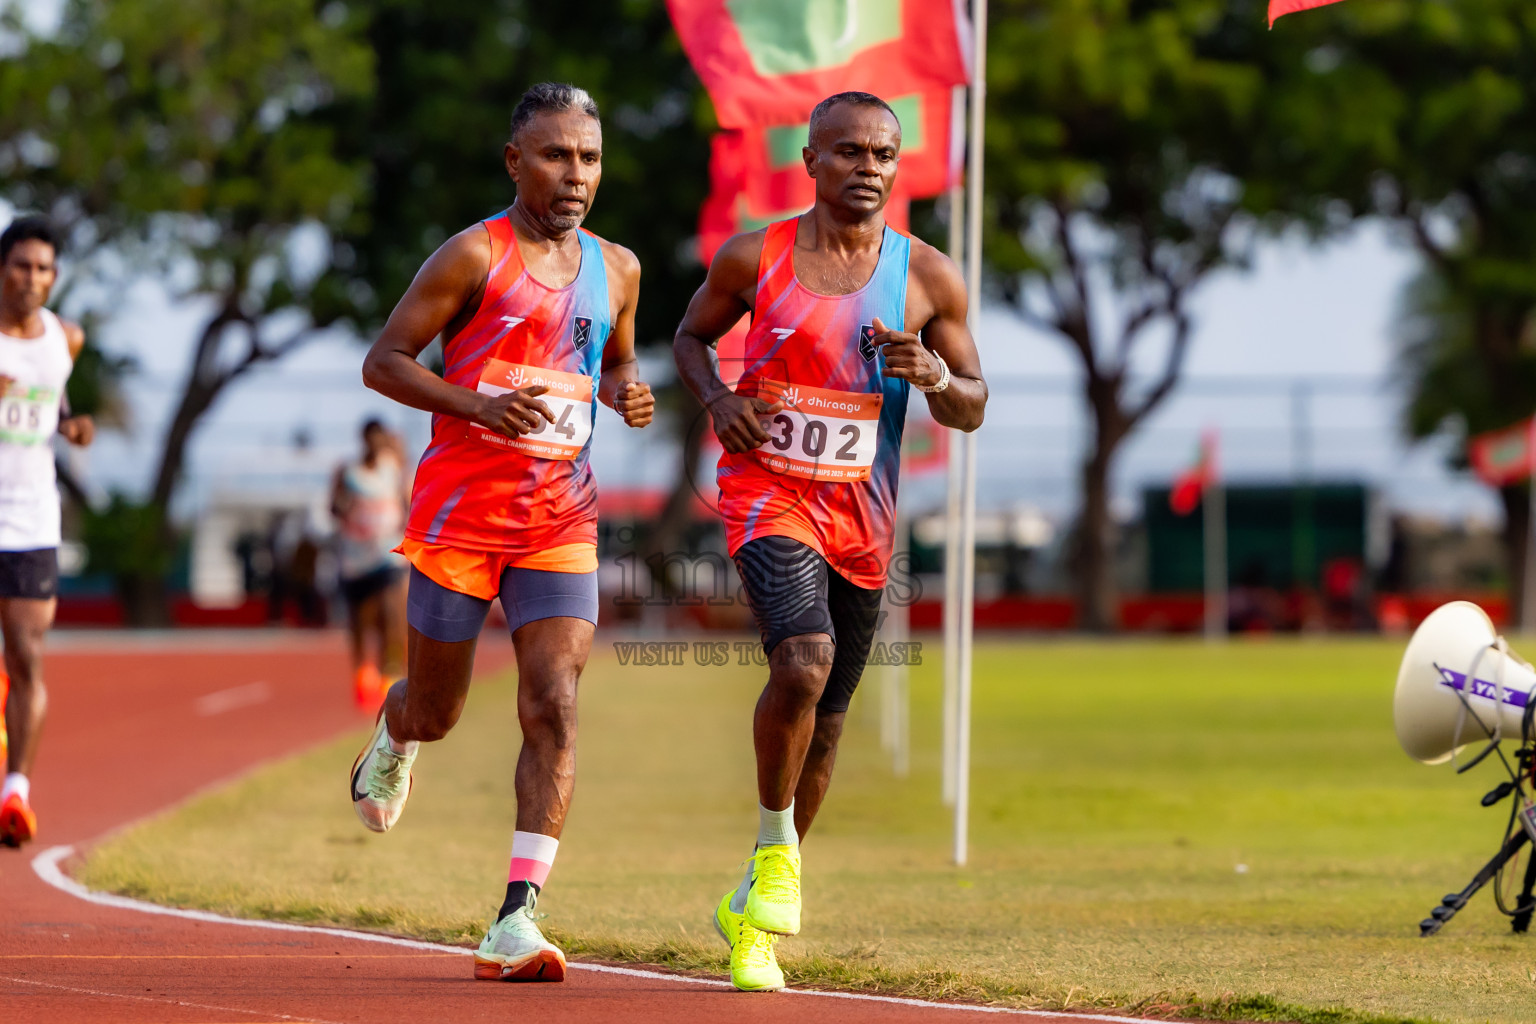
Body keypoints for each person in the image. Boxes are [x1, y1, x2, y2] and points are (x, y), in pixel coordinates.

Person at [673, 92, 987, 991]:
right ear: (809, 161)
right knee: (802, 662)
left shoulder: (928, 278)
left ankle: (758, 907)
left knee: (830, 725)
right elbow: (692, 338)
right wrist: (720, 400)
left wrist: (932, 374)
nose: (868, 167)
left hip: (865, 519)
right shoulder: (755, 255)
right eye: (847, 151)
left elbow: (972, 404)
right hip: (769, 494)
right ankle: (777, 857)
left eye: (883, 154)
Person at [356, 82, 653, 983]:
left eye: (590, 157)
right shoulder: (472, 255)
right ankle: (396, 732)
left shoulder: (621, 267)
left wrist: (627, 391)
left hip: (561, 518)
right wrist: (477, 404)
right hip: (461, 518)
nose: (576, 174)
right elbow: (385, 362)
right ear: (515, 160)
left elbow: (619, 360)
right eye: (557, 155)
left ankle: (517, 918)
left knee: (554, 703)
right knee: (440, 712)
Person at [0, 216, 95, 848]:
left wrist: (72, 426)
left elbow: (53, 402)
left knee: (28, 656)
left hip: (31, 517)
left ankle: (15, 794)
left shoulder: (66, 337)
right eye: (21, 265)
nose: (33, 277)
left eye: (44, 268)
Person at [330, 418, 409, 709]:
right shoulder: (348, 472)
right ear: (363, 439)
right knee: (361, 622)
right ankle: (364, 673)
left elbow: (407, 500)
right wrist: (344, 505)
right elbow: (334, 507)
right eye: (371, 437)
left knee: (393, 614)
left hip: (388, 555)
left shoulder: (394, 467)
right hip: (356, 559)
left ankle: (392, 675)